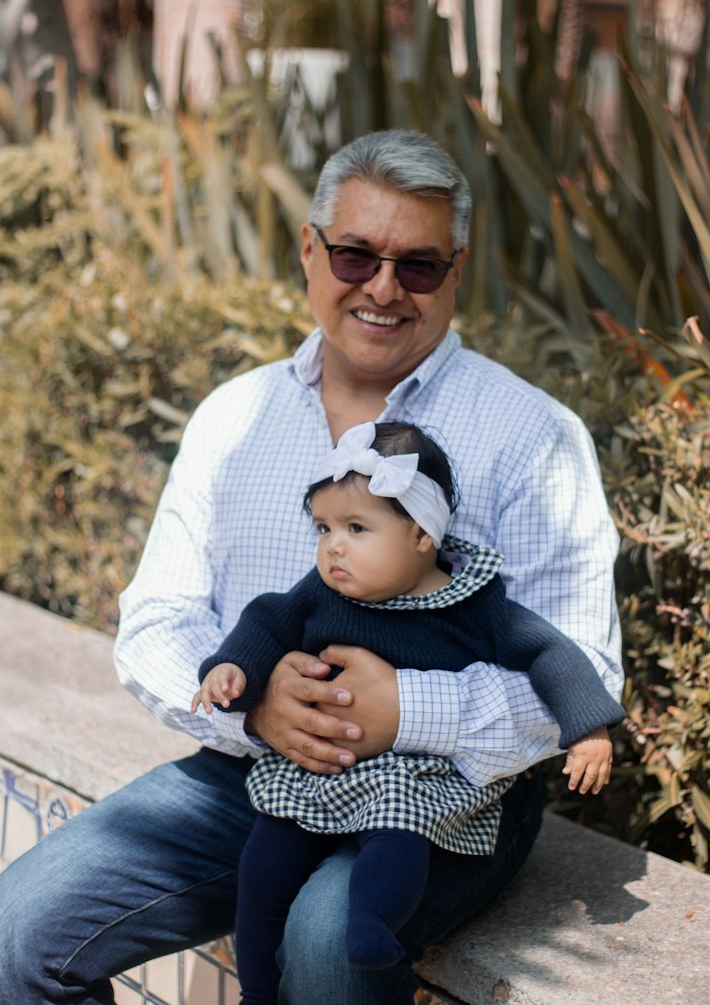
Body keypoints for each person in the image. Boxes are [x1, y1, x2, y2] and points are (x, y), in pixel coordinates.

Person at [0, 128, 623, 1005]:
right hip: (247, 770)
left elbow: (581, 660)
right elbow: (158, 618)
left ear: (456, 272)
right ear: (310, 251)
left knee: (325, 936)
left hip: (444, 800)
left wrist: (403, 710)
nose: (383, 288)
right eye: (355, 255)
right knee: (22, 927)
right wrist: (257, 707)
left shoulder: (534, 436)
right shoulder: (234, 416)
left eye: (418, 266)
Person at [195, 419, 623, 1004]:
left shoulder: (473, 603)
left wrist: (588, 727)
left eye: (355, 527)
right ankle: (258, 994)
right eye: (323, 527)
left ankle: (373, 926)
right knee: (263, 865)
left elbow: (547, 650)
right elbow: (267, 620)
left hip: (415, 777)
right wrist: (234, 671)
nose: (333, 546)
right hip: (320, 768)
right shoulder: (324, 592)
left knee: (397, 841)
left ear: (422, 535)